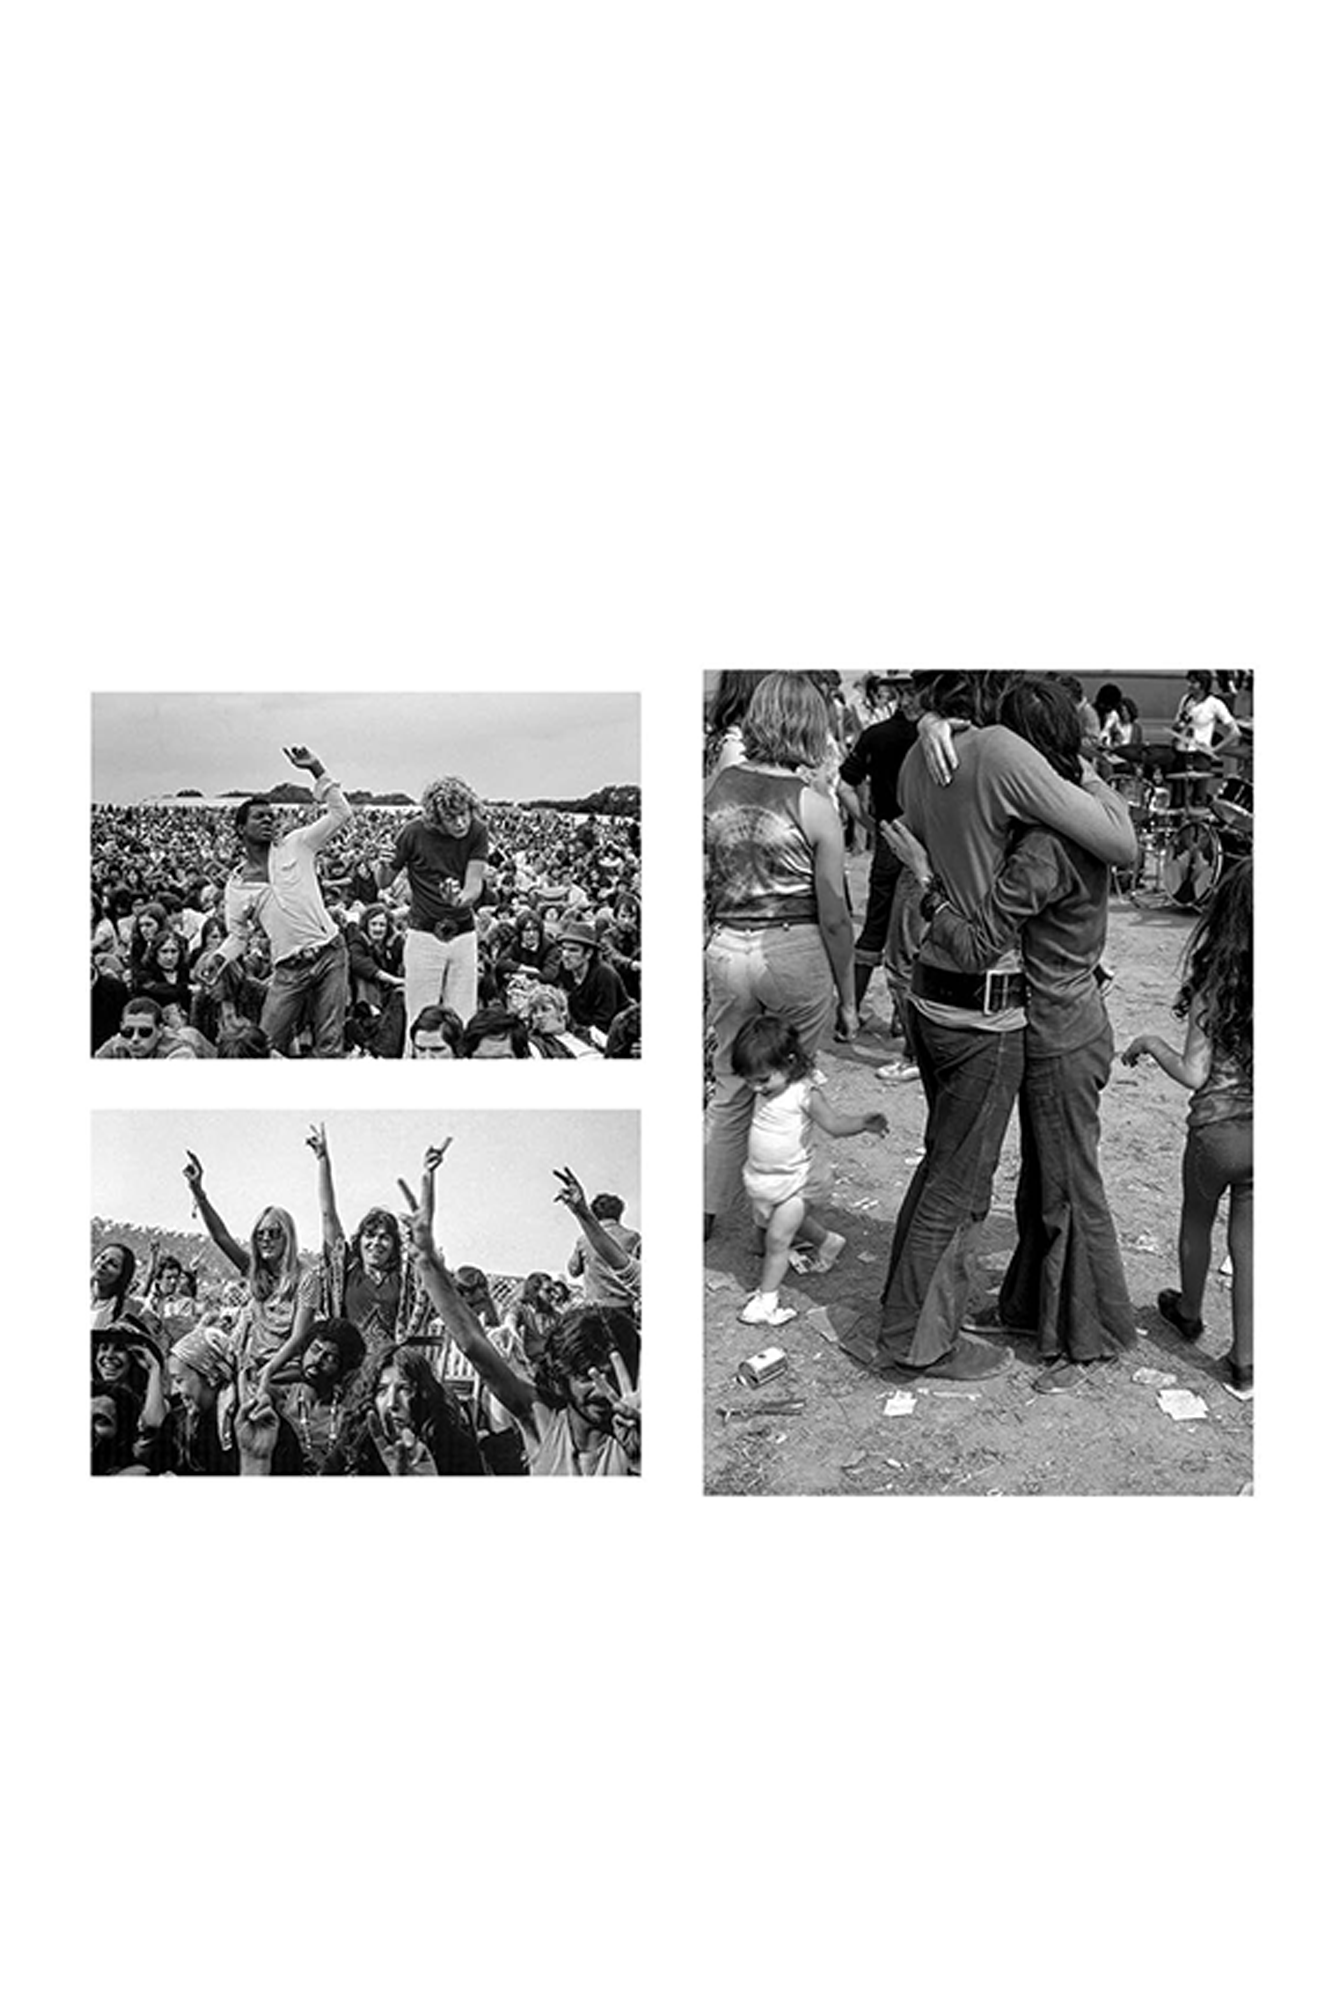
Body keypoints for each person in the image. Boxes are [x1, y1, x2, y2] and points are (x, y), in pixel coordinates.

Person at [843, 671, 1139, 1383]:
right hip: (1032, 1012)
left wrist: (924, 874)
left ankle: (1084, 1332)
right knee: (1027, 1180)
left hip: (1045, 1018)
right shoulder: (1044, 820)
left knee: (1057, 1182)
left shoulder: (1042, 844)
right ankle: (1024, 1313)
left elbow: (982, 931)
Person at [704, 671, 858, 1236]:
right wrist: (848, 998)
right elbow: (837, 916)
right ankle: (782, 1219)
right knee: (793, 1089)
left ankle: (708, 1209)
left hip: (725, 944)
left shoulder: (714, 792)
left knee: (730, 1083)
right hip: (793, 946)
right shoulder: (814, 806)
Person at [1123, 859, 1253, 1395]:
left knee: (1196, 1221)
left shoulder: (1215, 988)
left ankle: (1191, 1311)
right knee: (1250, 1246)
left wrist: (1150, 1044)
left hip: (1215, 1135)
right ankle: (1246, 1362)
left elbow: (1195, 1073)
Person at [404, 1198, 640, 1477]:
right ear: (563, 1378)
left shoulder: (637, 1432)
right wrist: (426, 1262)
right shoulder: (544, 1422)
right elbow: (472, 1345)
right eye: (588, 1377)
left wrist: (640, 1458)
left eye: (612, 1375)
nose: (603, 1390)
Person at [731, 1015, 888, 1327]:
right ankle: (829, 1241)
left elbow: (833, 1124)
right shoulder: (768, 1087)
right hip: (766, 1177)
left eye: (762, 1080)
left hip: (797, 1179)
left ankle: (768, 1301)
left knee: (777, 1238)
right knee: (780, 1226)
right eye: (749, 1080)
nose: (755, 1087)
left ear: (789, 1063)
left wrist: (862, 1123)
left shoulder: (804, 1093)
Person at [199, 745, 353, 1057]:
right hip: (288, 969)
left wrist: (317, 770)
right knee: (263, 1044)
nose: (269, 820)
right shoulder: (236, 886)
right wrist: (219, 958)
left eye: (272, 816)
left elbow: (341, 813)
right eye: (259, 817)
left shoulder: (297, 844)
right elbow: (238, 936)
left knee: (329, 1044)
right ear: (241, 829)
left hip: (330, 954)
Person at [837, 671, 923, 1042]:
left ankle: (849, 1014)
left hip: (889, 837)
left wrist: (870, 825)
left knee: (875, 926)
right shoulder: (937, 740)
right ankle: (904, 1021)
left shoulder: (876, 735)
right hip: (926, 841)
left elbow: (844, 787)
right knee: (917, 936)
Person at [182, 1151, 319, 1377]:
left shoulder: (305, 1277)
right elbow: (221, 1237)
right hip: (250, 1362)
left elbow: (299, 1337)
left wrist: (268, 1371)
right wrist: (197, 1191)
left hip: (284, 1367)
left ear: (288, 1237)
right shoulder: (256, 1271)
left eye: (274, 1233)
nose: (266, 1238)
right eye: (260, 1234)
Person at [380, 775, 488, 1047]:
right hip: (424, 935)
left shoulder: (478, 830)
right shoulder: (412, 833)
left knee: (463, 1017)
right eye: (451, 818)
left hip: (463, 934)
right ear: (435, 818)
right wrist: (381, 865)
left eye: (463, 814)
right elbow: (383, 883)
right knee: (419, 1017)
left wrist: (459, 900)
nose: (461, 823)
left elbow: (474, 886)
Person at [550, 921, 629, 1039]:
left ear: (588, 954)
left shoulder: (605, 975)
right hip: (580, 1030)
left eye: (573, 950)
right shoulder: (564, 970)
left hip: (613, 1034)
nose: (565, 955)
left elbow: (603, 1020)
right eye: (564, 949)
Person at [567, 1192, 642, 1310]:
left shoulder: (584, 1240)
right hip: (624, 1309)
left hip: (595, 1308)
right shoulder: (633, 1237)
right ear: (619, 1213)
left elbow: (573, 1270)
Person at [94, 994, 199, 1059]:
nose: (135, 1038)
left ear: (160, 1031)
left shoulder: (179, 1053)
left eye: (144, 1032)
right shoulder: (118, 1042)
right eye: (128, 1031)